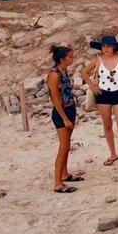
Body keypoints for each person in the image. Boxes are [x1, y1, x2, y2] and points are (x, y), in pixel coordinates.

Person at [83, 34, 118, 168]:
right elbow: (84, 73)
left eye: (109, 46)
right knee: (107, 125)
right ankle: (113, 154)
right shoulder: (98, 59)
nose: (105, 48)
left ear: (114, 47)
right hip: (103, 94)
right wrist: (91, 85)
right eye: (103, 46)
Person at [47, 45, 82, 192]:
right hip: (61, 112)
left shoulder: (64, 71)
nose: (72, 59)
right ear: (62, 58)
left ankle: (64, 173)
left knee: (67, 145)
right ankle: (57, 183)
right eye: (70, 57)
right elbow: (55, 98)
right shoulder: (54, 75)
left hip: (70, 108)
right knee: (64, 147)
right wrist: (65, 118)